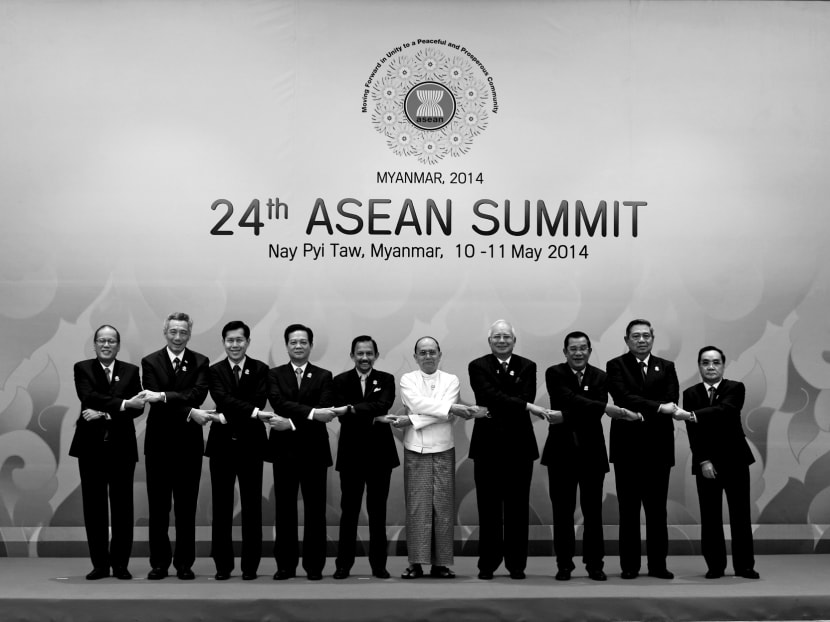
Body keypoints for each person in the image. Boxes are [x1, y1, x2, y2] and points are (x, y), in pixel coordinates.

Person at [544, 331, 642, 582]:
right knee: (562, 513)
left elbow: (588, 412)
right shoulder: (554, 373)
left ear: (589, 351)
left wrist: (566, 416)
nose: (578, 353)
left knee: (593, 513)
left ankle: (594, 564)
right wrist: (604, 407)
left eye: (583, 348)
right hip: (560, 454)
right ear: (565, 352)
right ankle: (564, 564)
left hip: (592, 454)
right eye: (573, 349)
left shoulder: (601, 376)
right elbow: (566, 398)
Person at [606, 318, 692, 580]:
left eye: (646, 335)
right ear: (626, 340)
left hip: (658, 449)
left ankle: (658, 566)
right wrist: (657, 408)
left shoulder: (666, 366)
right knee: (629, 510)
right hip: (627, 450)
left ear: (653, 339)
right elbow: (623, 398)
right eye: (635, 336)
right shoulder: (616, 366)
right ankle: (629, 566)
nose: (641, 340)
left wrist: (647, 410)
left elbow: (671, 399)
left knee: (657, 511)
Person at [468, 320, 547, 580]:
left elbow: (526, 395)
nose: (502, 341)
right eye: (496, 337)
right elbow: (487, 395)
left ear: (514, 340)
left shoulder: (527, 366)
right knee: (488, 509)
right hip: (487, 447)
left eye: (507, 337)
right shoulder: (478, 366)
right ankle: (487, 564)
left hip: (519, 447)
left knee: (517, 509)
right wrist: (522, 405)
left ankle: (516, 565)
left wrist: (519, 404)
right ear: (489, 341)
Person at [207, 320, 285, 581]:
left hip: (252, 446)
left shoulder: (261, 369)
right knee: (222, 507)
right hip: (221, 447)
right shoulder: (214, 370)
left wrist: (232, 413)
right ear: (224, 343)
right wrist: (251, 413)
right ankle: (223, 566)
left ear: (248, 342)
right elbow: (223, 400)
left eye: (240, 340)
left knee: (252, 508)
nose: (235, 345)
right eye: (230, 340)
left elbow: (258, 400)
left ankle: (250, 566)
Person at [396, 336, 477, 580]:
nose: (428, 356)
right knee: (417, 508)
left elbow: (444, 409)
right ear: (416, 357)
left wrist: (412, 419)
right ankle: (416, 563)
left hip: (443, 448)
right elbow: (419, 403)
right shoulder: (407, 379)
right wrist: (447, 409)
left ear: (440, 355)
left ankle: (441, 563)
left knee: (442, 508)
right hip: (416, 449)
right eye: (423, 352)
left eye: (432, 352)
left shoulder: (451, 379)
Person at [70, 325, 145, 580]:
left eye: (111, 341)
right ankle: (100, 565)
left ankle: (121, 564)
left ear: (118, 345)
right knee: (94, 507)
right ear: (94, 344)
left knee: (123, 507)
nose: (106, 344)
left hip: (122, 447)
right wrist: (122, 404)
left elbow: (138, 408)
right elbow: (88, 396)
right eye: (102, 340)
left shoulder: (131, 371)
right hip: (90, 447)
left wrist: (103, 412)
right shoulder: (83, 368)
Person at [140, 312, 210, 580]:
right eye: (173, 332)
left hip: (189, 445)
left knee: (186, 508)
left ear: (189, 333)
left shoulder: (200, 361)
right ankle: (159, 563)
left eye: (183, 332)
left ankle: (184, 564)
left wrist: (163, 395)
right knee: (158, 508)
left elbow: (198, 394)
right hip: (158, 445)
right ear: (165, 332)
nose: (178, 337)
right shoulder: (150, 361)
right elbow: (154, 399)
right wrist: (189, 411)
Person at [683, 346, 758, 580]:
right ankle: (715, 566)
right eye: (705, 362)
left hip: (735, 460)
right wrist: (703, 460)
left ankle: (744, 566)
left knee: (740, 516)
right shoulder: (690, 393)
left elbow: (725, 410)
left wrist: (693, 415)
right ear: (699, 366)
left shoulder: (735, 388)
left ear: (723, 365)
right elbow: (693, 433)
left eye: (716, 362)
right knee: (710, 516)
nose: (711, 367)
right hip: (706, 463)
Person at [267, 323, 335, 581]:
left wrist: (292, 422)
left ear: (310, 345)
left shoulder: (323, 375)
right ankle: (285, 565)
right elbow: (278, 403)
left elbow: (325, 409)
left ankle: (314, 566)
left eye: (303, 342)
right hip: (283, 452)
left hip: (314, 451)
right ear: (287, 346)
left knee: (316, 510)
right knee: (284, 510)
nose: (298, 346)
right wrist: (310, 413)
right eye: (293, 342)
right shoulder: (274, 374)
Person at [330, 336, 398, 580]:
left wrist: (352, 409)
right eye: (360, 353)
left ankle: (379, 565)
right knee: (349, 512)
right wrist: (367, 413)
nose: (365, 358)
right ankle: (343, 565)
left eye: (369, 353)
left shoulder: (387, 379)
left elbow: (384, 405)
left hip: (381, 455)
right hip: (351, 455)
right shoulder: (340, 381)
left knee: (378, 512)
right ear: (352, 356)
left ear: (376, 356)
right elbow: (340, 413)